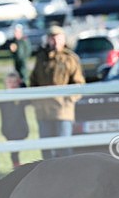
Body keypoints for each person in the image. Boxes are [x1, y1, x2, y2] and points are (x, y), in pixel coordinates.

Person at [29, 25, 85, 159]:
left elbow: (79, 84)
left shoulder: (70, 58)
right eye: (51, 38)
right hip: (43, 111)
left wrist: (68, 101)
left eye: (57, 38)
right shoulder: (41, 58)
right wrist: (35, 100)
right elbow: (33, 80)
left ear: (63, 39)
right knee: (46, 151)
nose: (54, 41)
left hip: (62, 112)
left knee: (64, 149)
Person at [0, 71, 30, 168]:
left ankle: (18, 164)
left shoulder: (20, 96)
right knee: (13, 150)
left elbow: (28, 100)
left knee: (18, 148)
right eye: (9, 82)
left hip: (21, 126)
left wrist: (23, 85)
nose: (12, 85)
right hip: (8, 128)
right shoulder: (3, 97)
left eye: (14, 82)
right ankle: (16, 165)